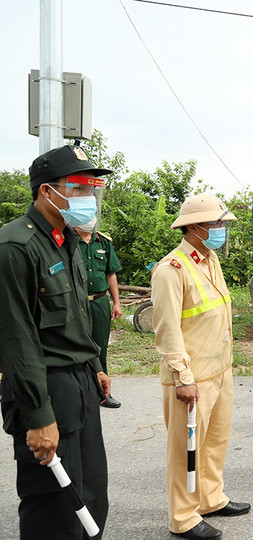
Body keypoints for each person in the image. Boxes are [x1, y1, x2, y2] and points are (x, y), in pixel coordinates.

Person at [0, 144, 112, 539]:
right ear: (48, 191)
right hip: (45, 388)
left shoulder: (68, 240)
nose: (88, 197)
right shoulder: (15, 246)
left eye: (91, 187)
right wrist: (38, 415)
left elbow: (76, 315)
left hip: (79, 381)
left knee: (91, 495)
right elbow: (17, 338)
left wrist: (95, 366)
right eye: (80, 187)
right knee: (54, 506)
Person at [152, 194, 249, 539]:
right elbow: (167, 329)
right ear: (195, 227)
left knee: (215, 442)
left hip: (220, 371)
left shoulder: (209, 261)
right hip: (192, 378)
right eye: (217, 223)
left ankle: (210, 497)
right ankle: (183, 517)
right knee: (185, 450)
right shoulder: (171, 269)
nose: (222, 229)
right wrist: (182, 377)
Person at [76, 221, 124, 408]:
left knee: (100, 346)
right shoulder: (68, 240)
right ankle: (78, 391)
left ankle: (102, 393)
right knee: (76, 344)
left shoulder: (103, 242)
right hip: (76, 301)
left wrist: (117, 303)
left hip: (99, 301)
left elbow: (111, 274)